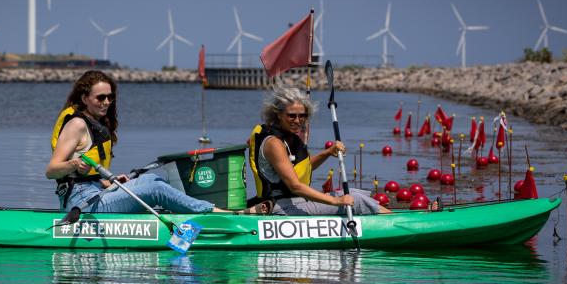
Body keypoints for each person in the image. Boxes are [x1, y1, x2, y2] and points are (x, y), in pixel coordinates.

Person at [47, 70, 270, 214]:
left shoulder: (97, 123)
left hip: (97, 191)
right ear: (85, 99)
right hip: (81, 203)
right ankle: (220, 214)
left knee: (154, 178)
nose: (107, 102)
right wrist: (74, 164)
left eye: (110, 97)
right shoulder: (77, 124)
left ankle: (187, 213)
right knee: (155, 189)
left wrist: (111, 183)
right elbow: (52, 170)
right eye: (100, 98)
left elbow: (93, 178)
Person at [248, 86, 391, 216]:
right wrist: (336, 201)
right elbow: (295, 186)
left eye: (302, 116)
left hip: (296, 200)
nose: (297, 120)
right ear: (279, 114)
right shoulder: (274, 143)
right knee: (357, 200)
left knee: (352, 192)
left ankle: (391, 217)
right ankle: (400, 223)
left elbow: (302, 168)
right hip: (282, 208)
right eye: (291, 115)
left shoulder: (289, 137)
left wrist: (327, 153)